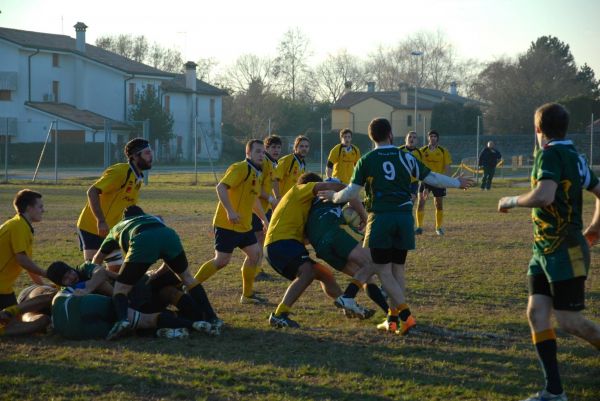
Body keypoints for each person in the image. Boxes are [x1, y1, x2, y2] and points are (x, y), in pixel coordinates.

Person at [319, 118, 472, 334]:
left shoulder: (367, 159)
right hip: (404, 218)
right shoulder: (406, 156)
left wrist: (334, 196)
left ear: (372, 137)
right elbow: (433, 178)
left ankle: (405, 316)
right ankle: (391, 319)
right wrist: (457, 182)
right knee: (397, 269)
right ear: (390, 134)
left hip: (381, 218)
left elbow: (352, 191)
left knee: (382, 270)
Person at [498, 103, 600, 401]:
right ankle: (554, 391)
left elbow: (544, 196)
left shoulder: (551, 153)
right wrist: (595, 228)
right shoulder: (575, 155)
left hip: (564, 250)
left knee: (569, 321)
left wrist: (511, 200)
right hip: (543, 250)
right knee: (537, 313)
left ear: (538, 129)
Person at [93, 206, 214, 340]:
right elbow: (168, 263)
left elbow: (97, 259)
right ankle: (211, 317)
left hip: (142, 240)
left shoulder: (118, 226)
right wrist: (156, 275)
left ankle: (123, 320)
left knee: (121, 289)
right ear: (143, 214)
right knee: (187, 279)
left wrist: (93, 275)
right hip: (169, 235)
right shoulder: (153, 219)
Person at [265, 173, 352, 328]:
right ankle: (279, 315)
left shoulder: (304, 207)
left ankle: (348, 305)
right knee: (307, 272)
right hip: (280, 242)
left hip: (287, 244)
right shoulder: (299, 189)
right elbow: (328, 186)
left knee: (324, 274)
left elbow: (307, 238)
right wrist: (351, 189)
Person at [194, 139, 268, 304]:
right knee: (221, 261)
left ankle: (247, 295)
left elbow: (254, 199)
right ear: (248, 153)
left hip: (244, 225)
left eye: (263, 152)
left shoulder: (258, 172)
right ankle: (190, 287)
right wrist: (230, 211)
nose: (261, 155)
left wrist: (264, 219)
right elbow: (220, 187)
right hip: (227, 224)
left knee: (255, 254)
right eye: (257, 151)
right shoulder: (240, 168)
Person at [76, 137, 153, 271]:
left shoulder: (137, 178)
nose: (151, 156)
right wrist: (100, 221)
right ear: (135, 156)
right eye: (147, 153)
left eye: (151, 152)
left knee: (116, 270)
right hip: (91, 228)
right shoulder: (121, 171)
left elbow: (129, 210)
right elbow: (92, 191)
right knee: (92, 271)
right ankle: (70, 289)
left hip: (112, 232)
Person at [0, 190, 47, 317]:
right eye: (40, 206)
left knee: (17, 320)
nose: (43, 210)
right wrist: (48, 274)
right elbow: (22, 260)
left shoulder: (22, 225)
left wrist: (45, 286)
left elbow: (28, 266)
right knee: (15, 325)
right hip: (1, 288)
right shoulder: (18, 226)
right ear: (29, 208)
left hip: (5, 289)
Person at [253, 135, 282, 281]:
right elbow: (256, 188)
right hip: (255, 207)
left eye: (278, 147)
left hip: (265, 208)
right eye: (273, 147)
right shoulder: (264, 163)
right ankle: (256, 270)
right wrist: (271, 199)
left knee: (262, 238)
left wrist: (277, 198)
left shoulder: (273, 163)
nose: (276, 150)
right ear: (266, 149)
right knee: (259, 238)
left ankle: (257, 268)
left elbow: (274, 182)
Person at [416, 130, 453, 235]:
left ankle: (439, 227)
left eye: (435, 136)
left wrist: (447, 180)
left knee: (438, 204)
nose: (432, 138)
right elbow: (417, 165)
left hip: (439, 181)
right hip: (425, 180)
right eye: (431, 136)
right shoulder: (422, 151)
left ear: (437, 138)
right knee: (421, 203)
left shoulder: (443, 151)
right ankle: (419, 227)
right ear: (428, 138)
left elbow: (447, 167)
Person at [273, 135, 310, 199]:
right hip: (283, 200)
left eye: (306, 146)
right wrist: (278, 197)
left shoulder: (303, 164)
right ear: (295, 147)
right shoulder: (286, 160)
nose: (304, 148)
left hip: (293, 200)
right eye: (301, 146)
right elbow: (275, 179)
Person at [399, 131, 423, 202]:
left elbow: (421, 168)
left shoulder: (420, 153)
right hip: (401, 180)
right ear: (405, 139)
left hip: (414, 181)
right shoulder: (399, 150)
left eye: (414, 137)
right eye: (410, 137)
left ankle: (408, 213)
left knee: (412, 200)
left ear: (417, 141)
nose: (412, 139)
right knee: (401, 200)